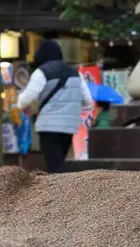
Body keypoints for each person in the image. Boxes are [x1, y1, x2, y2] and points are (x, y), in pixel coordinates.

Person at [17, 38, 94, 173]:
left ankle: (62, 187)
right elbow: (88, 101)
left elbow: (26, 99)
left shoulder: (42, 72)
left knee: (55, 166)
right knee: (58, 163)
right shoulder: (75, 73)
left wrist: (23, 105)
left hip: (48, 126)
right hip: (69, 126)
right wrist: (72, 110)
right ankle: (61, 185)